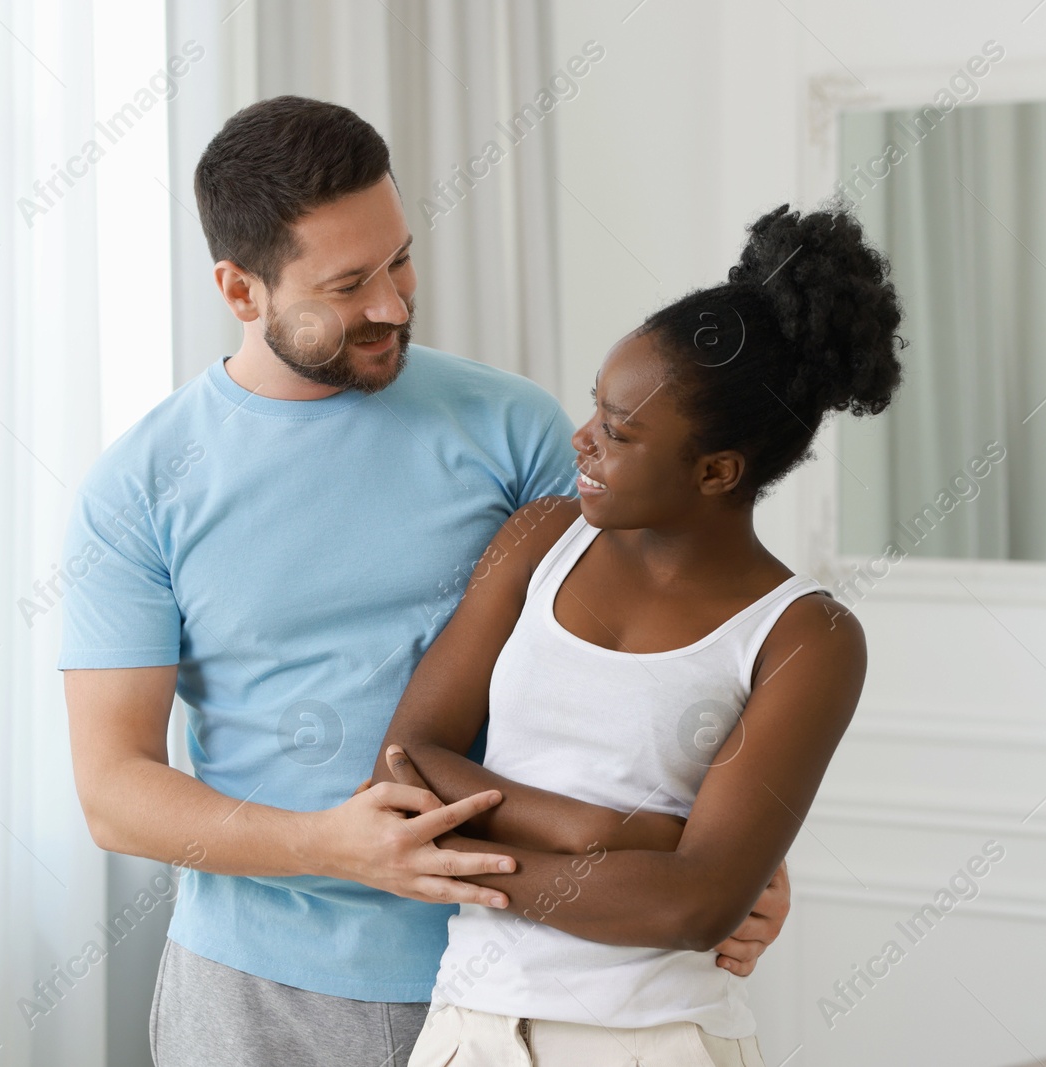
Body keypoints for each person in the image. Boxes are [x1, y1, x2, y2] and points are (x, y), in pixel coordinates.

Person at [59, 95, 789, 1066]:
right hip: (249, 998)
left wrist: (738, 851)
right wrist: (330, 843)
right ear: (242, 291)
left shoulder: (515, 430)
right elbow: (115, 790)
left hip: (521, 974)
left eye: (400, 258)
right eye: (349, 282)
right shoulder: (140, 484)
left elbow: (659, 647)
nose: (393, 304)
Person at [372, 202, 906, 1066]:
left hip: (659, 1041)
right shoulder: (538, 538)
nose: (582, 438)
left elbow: (693, 908)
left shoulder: (807, 636)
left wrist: (463, 848)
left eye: (618, 432)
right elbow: (400, 763)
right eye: (596, 407)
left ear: (716, 471)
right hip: (469, 1029)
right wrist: (612, 835)